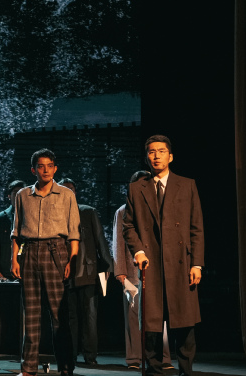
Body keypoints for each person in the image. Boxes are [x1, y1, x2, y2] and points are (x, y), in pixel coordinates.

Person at [123, 135, 204, 376]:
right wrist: (138, 251)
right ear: (146, 157)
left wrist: (197, 264)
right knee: (152, 326)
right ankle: (154, 372)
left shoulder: (187, 185)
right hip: (152, 265)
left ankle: (186, 371)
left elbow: (196, 228)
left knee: (184, 324)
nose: (156, 155)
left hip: (181, 265)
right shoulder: (137, 188)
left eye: (161, 151)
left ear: (170, 156)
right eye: (151, 151)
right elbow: (128, 226)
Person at [11, 148, 80, 376]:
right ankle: (28, 368)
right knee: (31, 315)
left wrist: (71, 260)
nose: (46, 170)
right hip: (29, 252)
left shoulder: (66, 195)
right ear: (33, 170)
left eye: (49, 166)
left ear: (55, 168)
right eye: (40, 166)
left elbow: (74, 232)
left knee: (59, 316)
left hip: (56, 252)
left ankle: (66, 367)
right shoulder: (23, 195)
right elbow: (16, 232)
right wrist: (14, 259)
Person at [113, 171, 173, 370]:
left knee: (161, 318)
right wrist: (121, 274)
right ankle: (134, 358)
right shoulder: (123, 211)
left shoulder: (160, 208)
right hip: (133, 274)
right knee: (134, 318)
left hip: (158, 272)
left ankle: (163, 358)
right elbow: (118, 244)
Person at [58, 178, 113, 366]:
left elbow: (100, 239)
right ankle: (71, 355)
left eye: (71, 189)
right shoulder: (56, 213)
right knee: (70, 317)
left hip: (88, 272)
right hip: (65, 273)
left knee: (89, 316)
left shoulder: (88, 211)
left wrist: (107, 265)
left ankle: (90, 356)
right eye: (64, 189)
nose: (68, 192)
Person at [0, 180, 26, 281]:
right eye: (15, 193)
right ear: (9, 195)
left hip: (27, 270)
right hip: (5, 271)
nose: (18, 196)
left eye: (21, 193)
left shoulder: (32, 217)